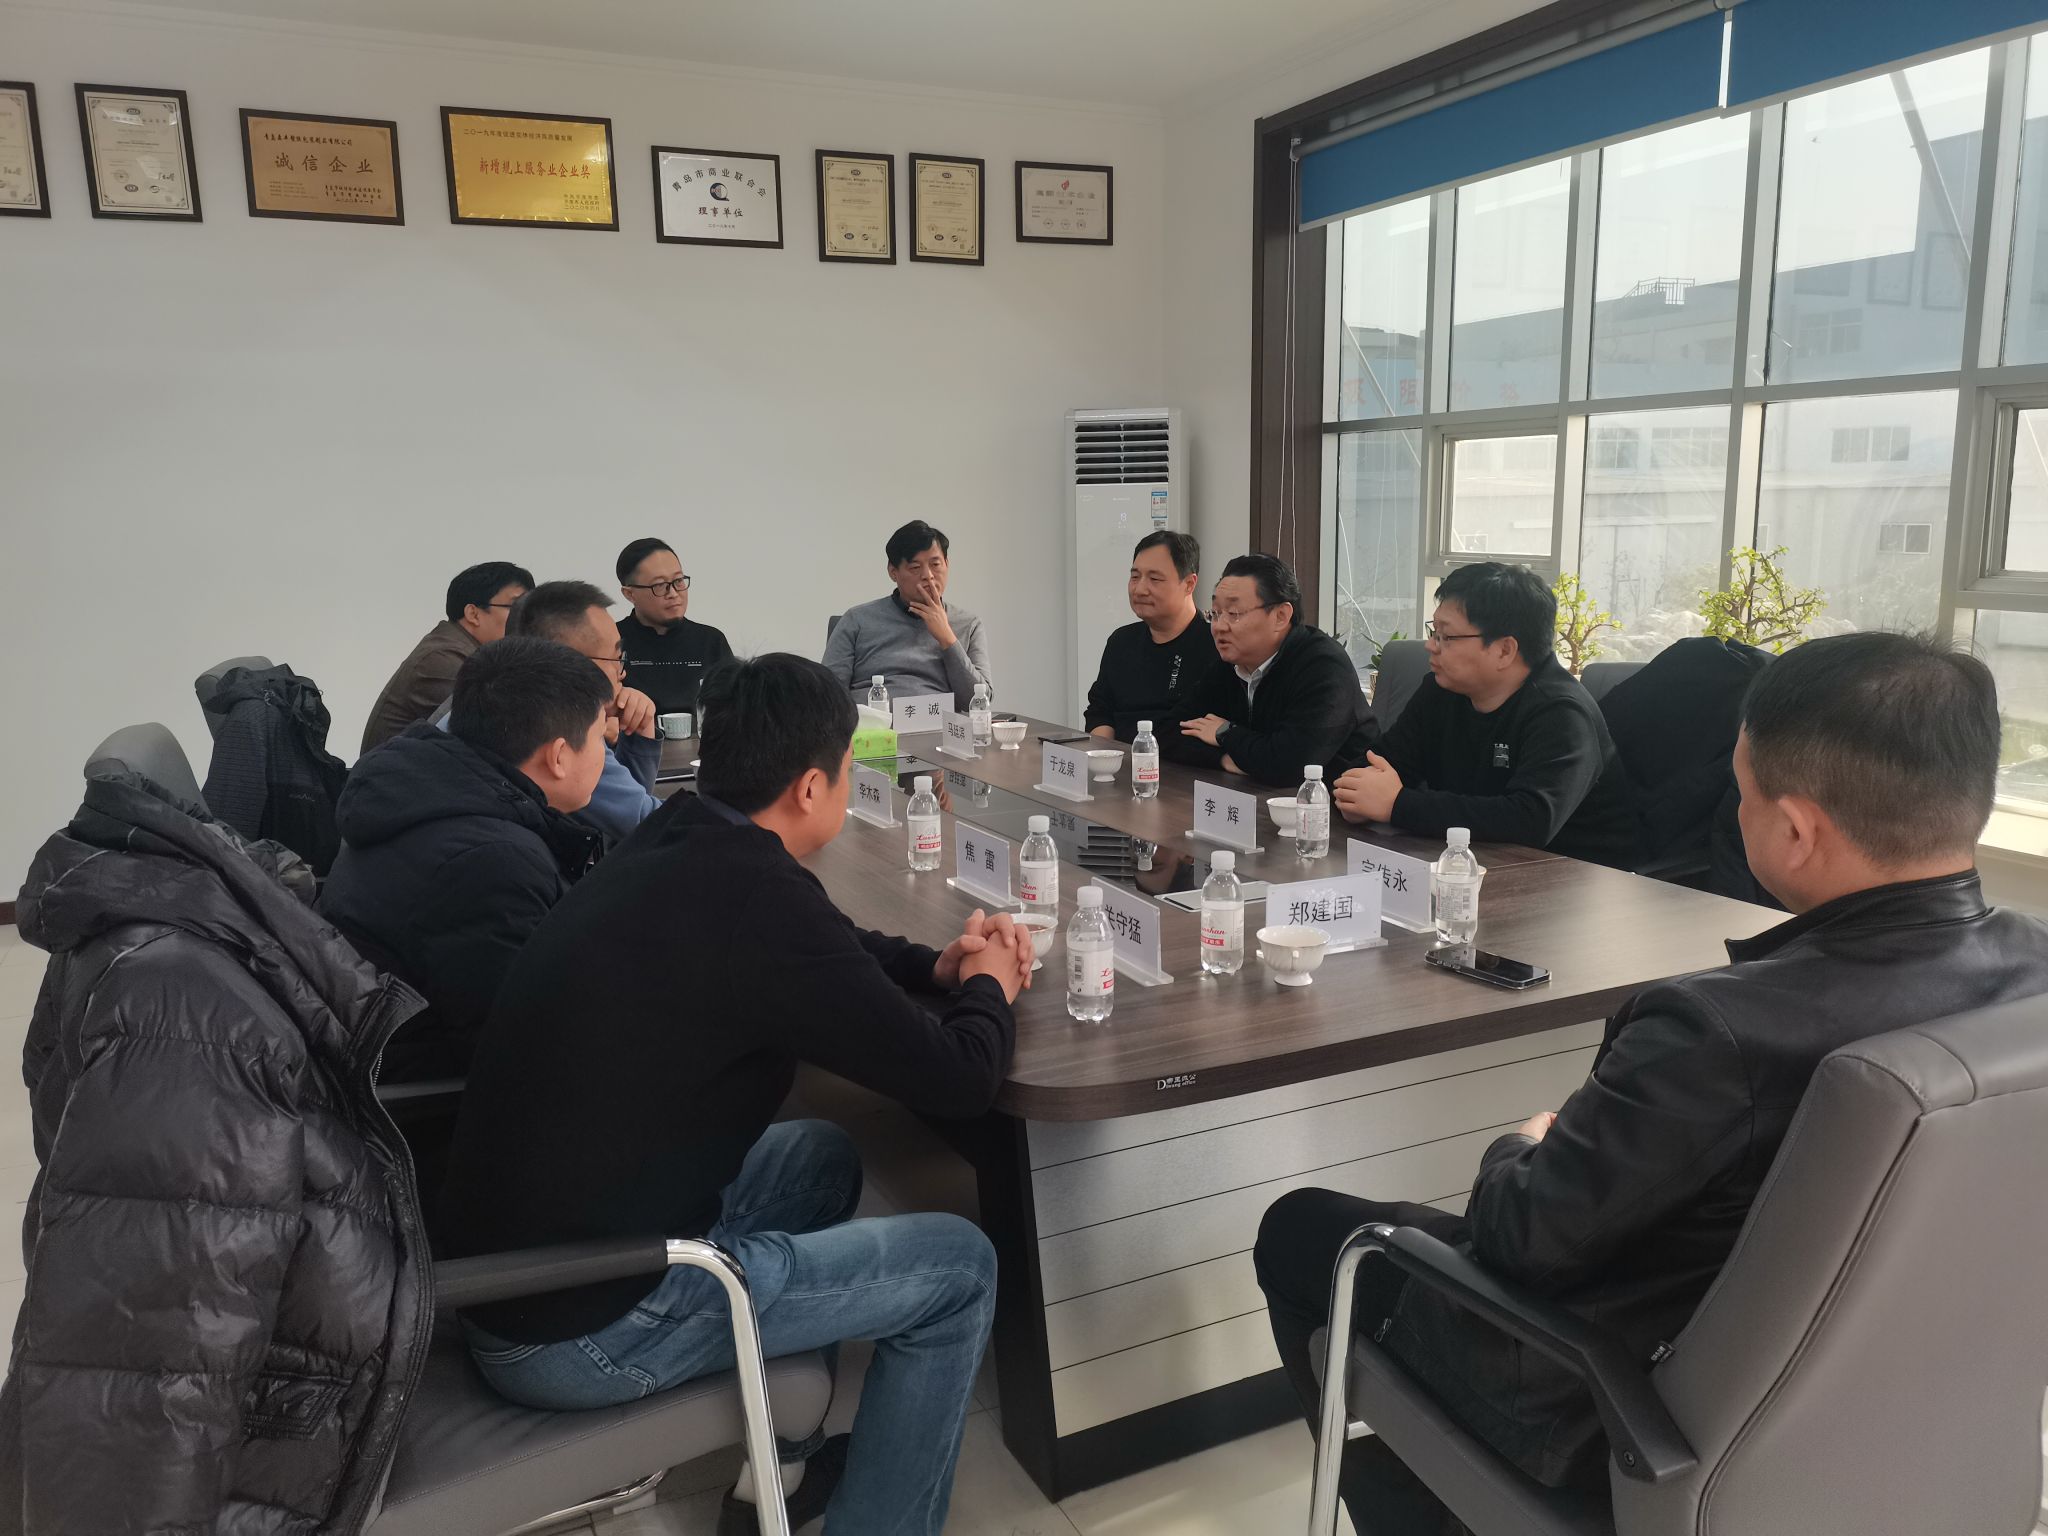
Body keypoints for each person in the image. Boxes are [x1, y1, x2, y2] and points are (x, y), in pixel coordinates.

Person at [1254, 631, 2048, 1533]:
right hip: (1907, 1410)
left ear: (1796, 831)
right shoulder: (2037, 973)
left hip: (1620, 1411)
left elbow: (1518, 1241)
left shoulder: (1716, 1030)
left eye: (1740, 794)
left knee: (1305, 1231)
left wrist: (1520, 1145)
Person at [437, 653, 1033, 1535]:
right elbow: (959, 1079)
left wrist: (932, 967)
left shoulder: (684, 835)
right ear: (811, 787)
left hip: (520, 1272)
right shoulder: (753, 896)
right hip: (583, 1324)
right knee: (959, 1268)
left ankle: (777, 1470)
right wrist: (990, 988)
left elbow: (819, 941)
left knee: (821, 1157)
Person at [322, 638, 611, 1085]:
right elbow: (523, 1048)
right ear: (558, 756)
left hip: (389, 1055)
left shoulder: (420, 789)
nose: (604, 752)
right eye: (599, 738)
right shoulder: (491, 862)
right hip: (425, 1102)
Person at [1331, 562, 1639, 867]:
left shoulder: (1562, 713)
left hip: (1574, 877)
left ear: (1504, 650)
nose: (1430, 645)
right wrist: (1357, 795)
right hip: (1469, 865)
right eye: (1433, 631)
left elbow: (1529, 820)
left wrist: (1398, 805)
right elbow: (1381, 762)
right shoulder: (1440, 691)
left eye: (1446, 636)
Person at [1167, 553, 1378, 787]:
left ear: (1280, 616)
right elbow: (1168, 732)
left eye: (1234, 613)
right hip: (1257, 796)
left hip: (1334, 802)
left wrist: (1225, 733)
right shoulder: (1231, 664)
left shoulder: (1324, 667)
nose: (1219, 626)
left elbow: (1290, 765)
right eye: (1215, 613)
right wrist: (1223, 758)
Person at [497, 580, 663, 843]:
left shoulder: (493, 697)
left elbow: (628, 803)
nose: (622, 672)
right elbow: (647, 825)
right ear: (574, 666)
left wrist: (640, 732)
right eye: (616, 658)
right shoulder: (552, 725)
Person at [361, 561, 533, 753]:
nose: (525, 618)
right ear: (473, 614)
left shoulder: (462, 650)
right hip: (397, 771)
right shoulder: (442, 658)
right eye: (515, 607)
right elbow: (505, 730)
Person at [822, 519, 992, 710]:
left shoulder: (968, 624)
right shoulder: (857, 620)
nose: (928, 575)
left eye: (935, 564)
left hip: (938, 726)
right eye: (915, 568)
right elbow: (828, 695)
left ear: (947, 563)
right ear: (893, 572)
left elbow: (979, 703)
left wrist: (947, 639)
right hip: (874, 725)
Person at [1086, 530, 1220, 742]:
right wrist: (1106, 753)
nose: (1140, 589)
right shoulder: (1121, 641)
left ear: (1189, 584)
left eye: (1155, 579)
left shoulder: (1215, 645)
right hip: (1119, 758)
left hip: (1182, 761)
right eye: (1135, 577)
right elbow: (1099, 710)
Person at [616, 536, 734, 717]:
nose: (673, 593)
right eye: (660, 585)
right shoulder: (612, 642)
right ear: (629, 594)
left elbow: (734, 710)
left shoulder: (711, 641)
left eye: (678, 581)